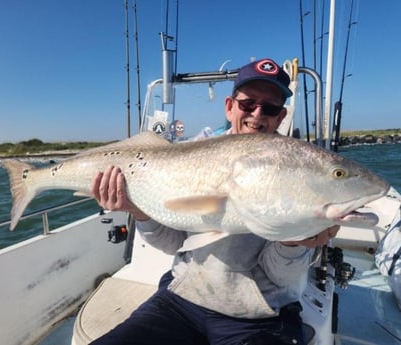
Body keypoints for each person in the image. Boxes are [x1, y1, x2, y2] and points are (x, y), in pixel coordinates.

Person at [90, 58, 340, 345]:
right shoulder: (190, 153)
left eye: (269, 108)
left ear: (281, 116)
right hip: (182, 299)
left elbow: (280, 276)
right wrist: (138, 210)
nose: (257, 115)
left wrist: (293, 242)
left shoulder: (292, 166)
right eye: (248, 104)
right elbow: (173, 243)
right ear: (229, 106)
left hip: (261, 315)